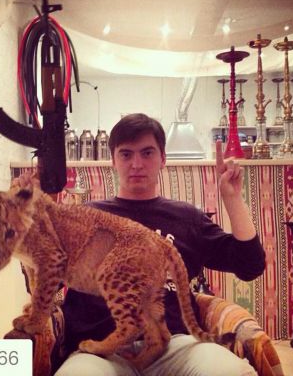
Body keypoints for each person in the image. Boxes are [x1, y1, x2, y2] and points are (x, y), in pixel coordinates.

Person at [53, 113, 265, 376]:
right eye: (126, 154)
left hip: (175, 346)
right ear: (113, 160)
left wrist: (232, 198)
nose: (137, 164)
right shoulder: (85, 217)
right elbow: (42, 278)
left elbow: (250, 265)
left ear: (163, 159)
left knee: (231, 372)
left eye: (147, 153)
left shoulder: (186, 217)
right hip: (99, 350)